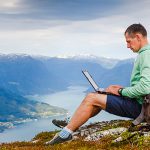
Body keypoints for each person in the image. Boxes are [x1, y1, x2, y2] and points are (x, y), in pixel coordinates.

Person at [46, 23, 150, 145]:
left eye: (128, 41)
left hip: (141, 108)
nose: (127, 46)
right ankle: (72, 122)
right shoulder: (144, 54)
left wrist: (121, 91)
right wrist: (122, 89)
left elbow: (146, 87)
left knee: (91, 98)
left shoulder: (146, 55)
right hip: (141, 103)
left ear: (138, 37)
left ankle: (66, 133)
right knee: (98, 95)